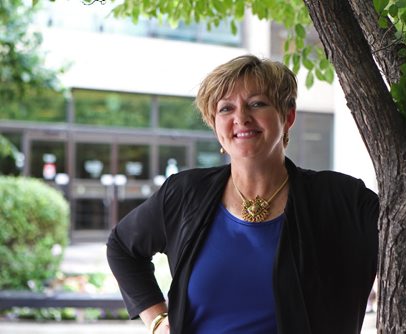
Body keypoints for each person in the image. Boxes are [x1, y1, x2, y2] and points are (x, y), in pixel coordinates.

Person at [107, 55, 379, 334]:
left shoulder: (342, 199)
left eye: (257, 104)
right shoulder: (184, 193)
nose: (241, 118)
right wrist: (157, 321)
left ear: (288, 116)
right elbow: (122, 247)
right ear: (214, 124)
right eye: (226, 109)